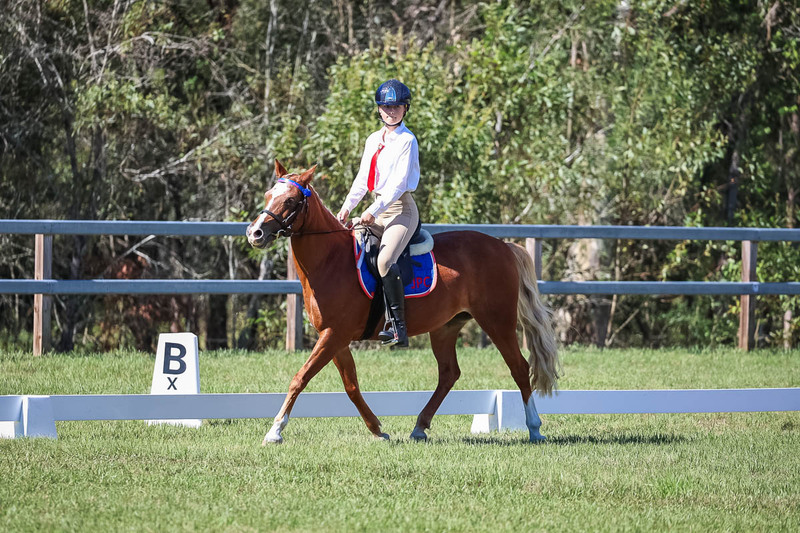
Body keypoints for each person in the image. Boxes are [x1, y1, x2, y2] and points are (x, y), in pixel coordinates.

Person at [336, 79, 420, 348]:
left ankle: (397, 328)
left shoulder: (407, 140)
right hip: (377, 208)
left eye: (396, 106)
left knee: (384, 261)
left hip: (400, 211)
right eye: (386, 106)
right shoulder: (373, 139)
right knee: (347, 249)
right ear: (379, 109)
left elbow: (397, 185)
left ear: (405, 109)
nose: (390, 111)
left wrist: (371, 211)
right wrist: (347, 207)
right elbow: (363, 179)